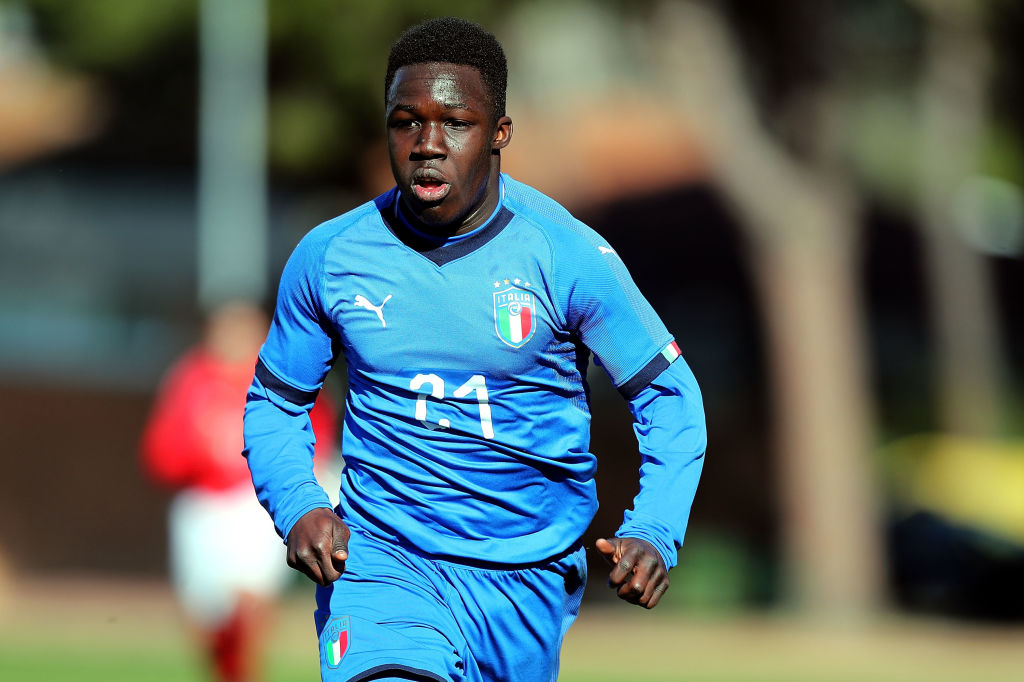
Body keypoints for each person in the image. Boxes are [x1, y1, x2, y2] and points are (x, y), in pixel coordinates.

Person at [243, 16, 706, 682]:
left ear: (499, 133)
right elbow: (274, 402)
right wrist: (300, 505)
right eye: (406, 123)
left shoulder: (566, 257)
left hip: (526, 581)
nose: (428, 145)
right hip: (384, 564)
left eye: (456, 124)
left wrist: (654, 528)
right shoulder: (332, 256)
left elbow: (670, 398)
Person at [142, 301, 337, 682]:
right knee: (206, 619)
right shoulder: (191, 377)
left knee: (250, 605)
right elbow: (161, 451)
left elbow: (318, 431)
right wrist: (195, 455)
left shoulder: (278, 374)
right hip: (201, 505)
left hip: (254, 503)